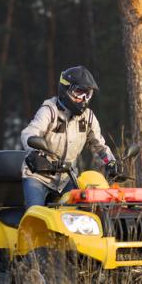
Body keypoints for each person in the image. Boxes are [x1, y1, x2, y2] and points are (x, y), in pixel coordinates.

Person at [21, 66, 117, 208]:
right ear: (65, 90)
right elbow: (28, 133)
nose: (83, 99)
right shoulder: (50, 111)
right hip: (39, 177)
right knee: (34, 214)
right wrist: (36, 156)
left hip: (67, 178)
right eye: (79, 93)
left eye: (87, 94)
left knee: (83, 213)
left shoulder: (88, 117)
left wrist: (110, 162)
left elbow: (99, 146)